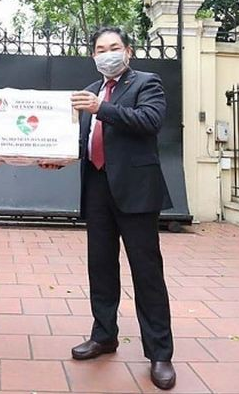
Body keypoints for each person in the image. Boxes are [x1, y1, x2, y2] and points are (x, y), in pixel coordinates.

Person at [69, 26, 176, 390]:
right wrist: (57, 157)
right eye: (100, 49)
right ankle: (103, 335)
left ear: (128, 51)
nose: (107, 54)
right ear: (93, 56)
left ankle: (159, 354)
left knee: (146, 273)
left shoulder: (146, 83)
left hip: (136, 190)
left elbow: (149, 122)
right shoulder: (91, 89)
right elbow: (86, 139)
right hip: (97, 185)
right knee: (100, 266)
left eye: (114, 47)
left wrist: (102, 108)